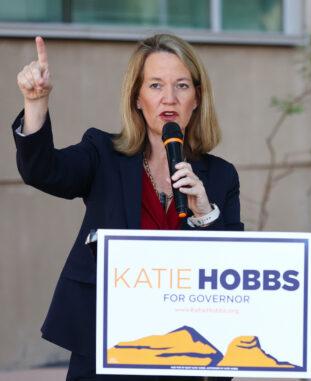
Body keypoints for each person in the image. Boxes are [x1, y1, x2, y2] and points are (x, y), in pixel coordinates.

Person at [13, 34, 242, 380]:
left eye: (181, 85)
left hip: (190, 350)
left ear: (197, 98)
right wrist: (36, 103)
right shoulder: (103, 154)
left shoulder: (221, 176)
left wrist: (204, 212)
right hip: (109, 344)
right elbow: (43, 171)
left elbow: (235, 274)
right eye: (155, 85)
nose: (169, 98)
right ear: (137, 97)